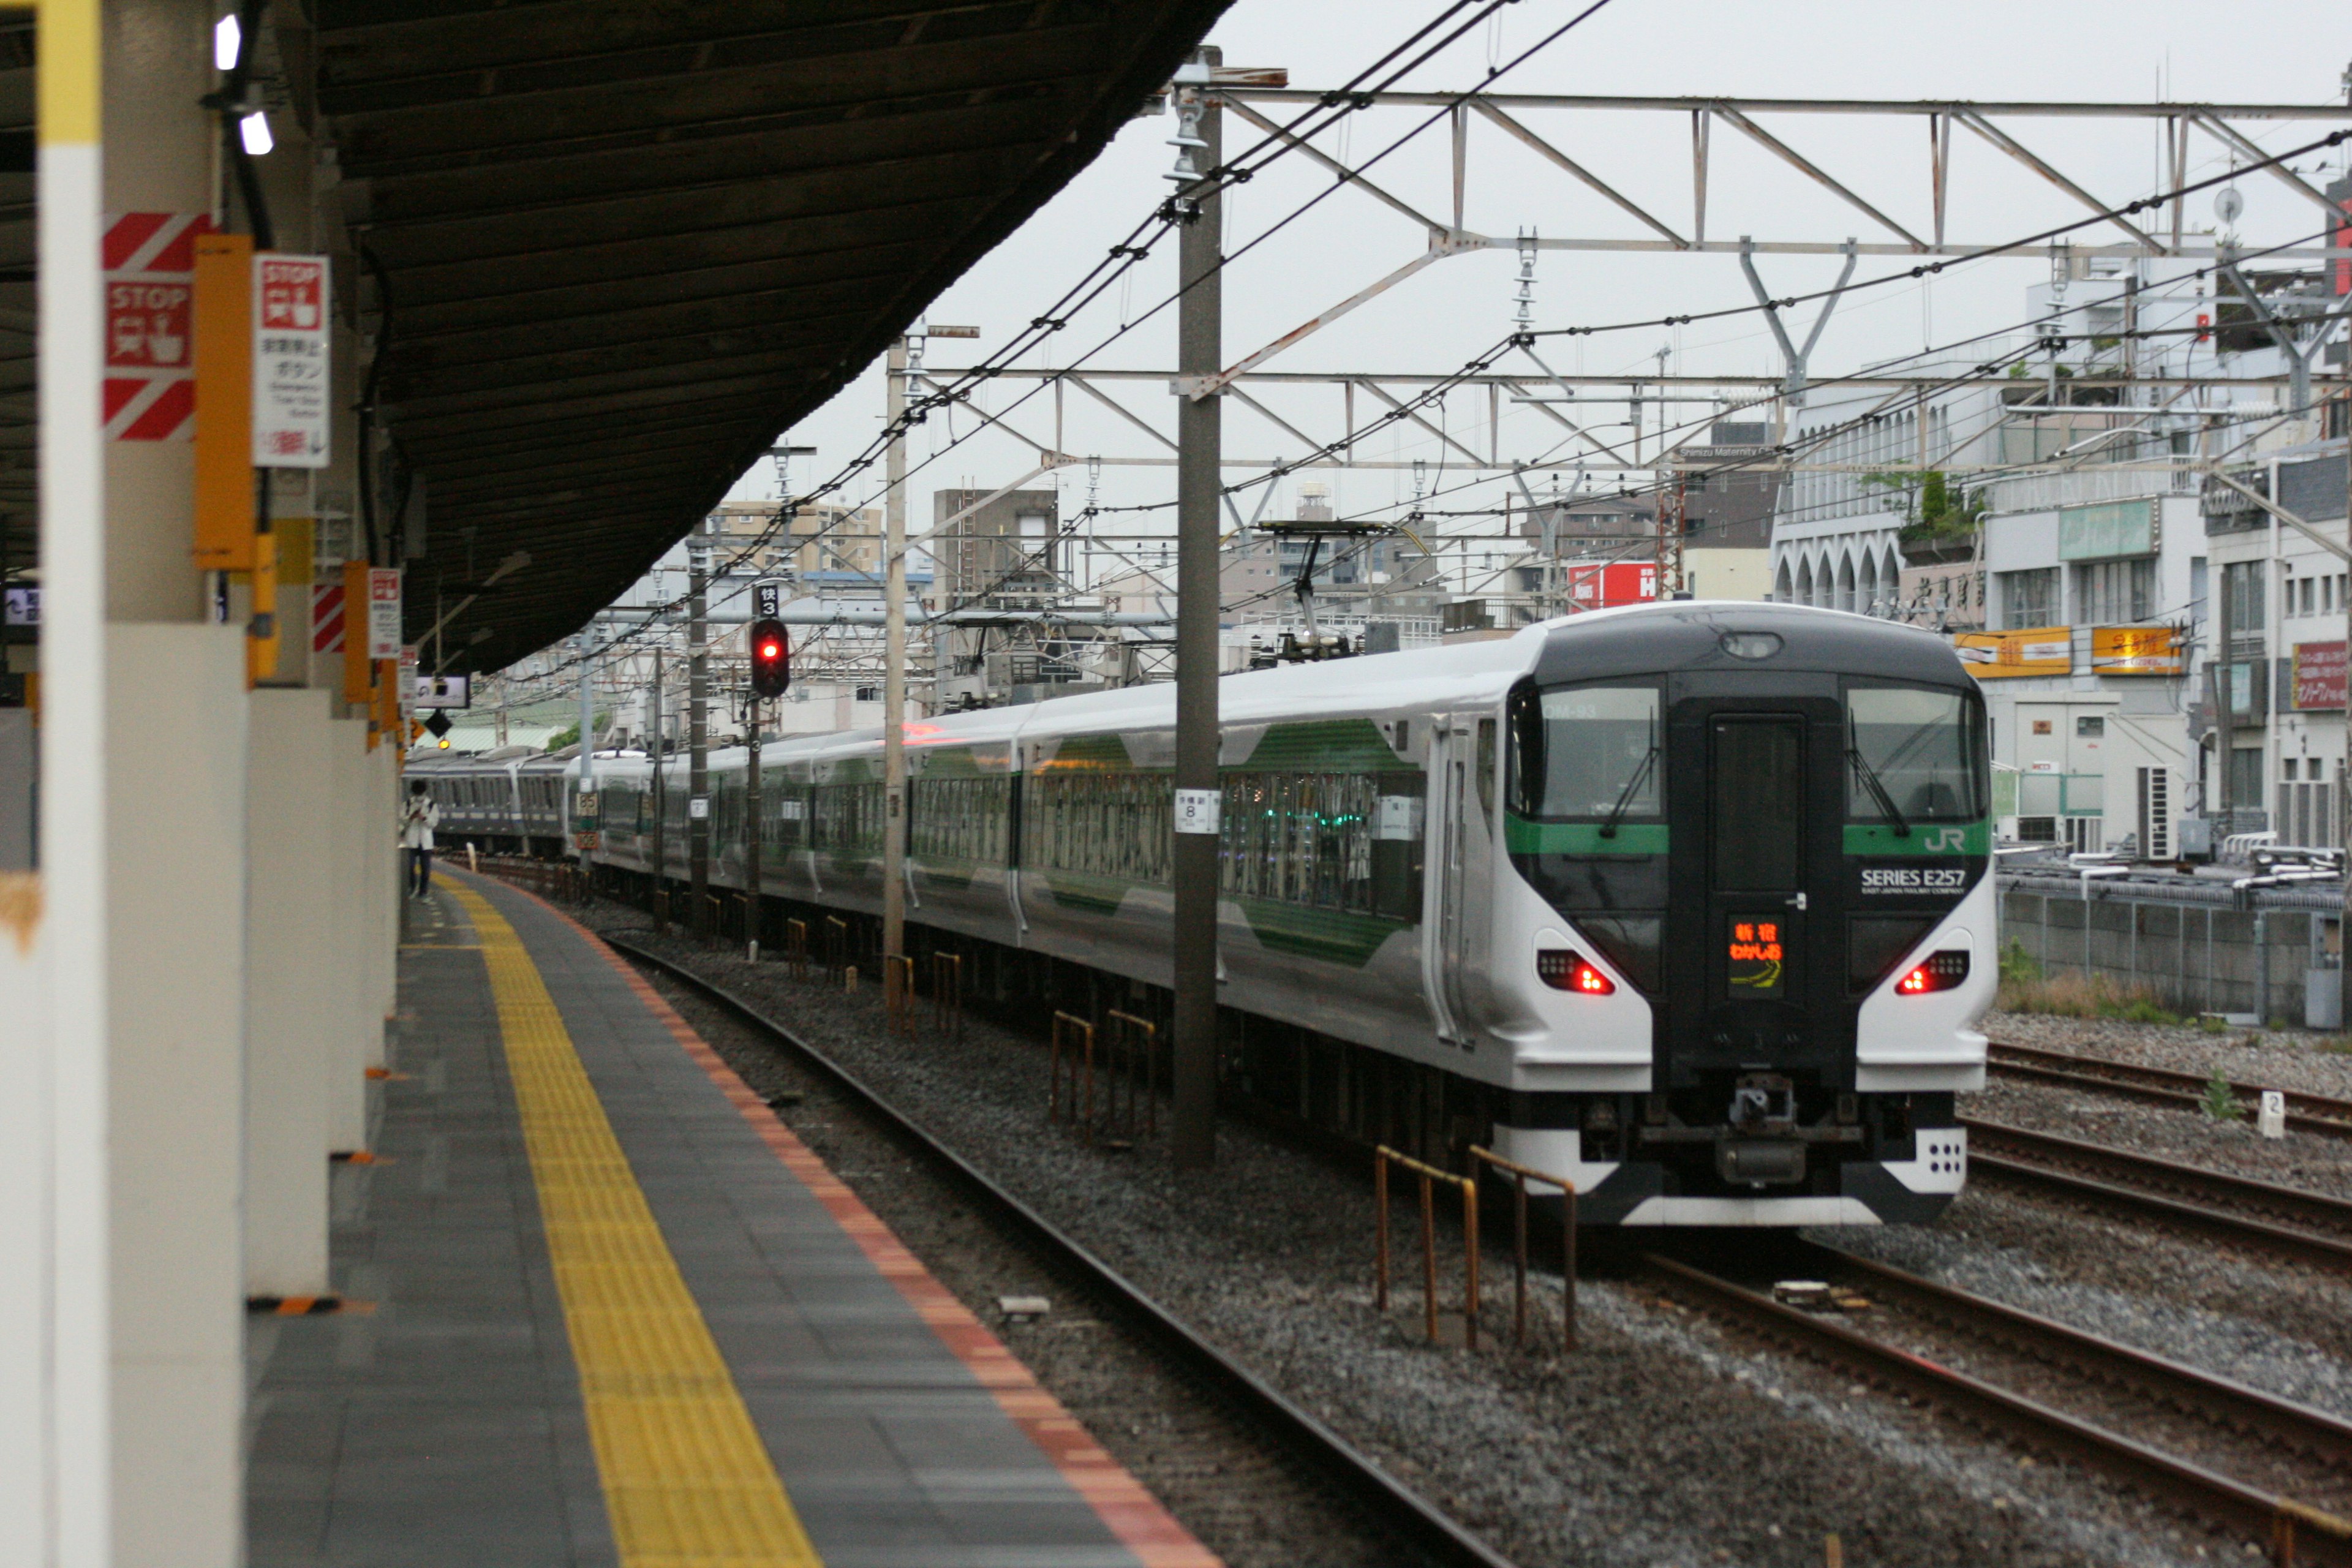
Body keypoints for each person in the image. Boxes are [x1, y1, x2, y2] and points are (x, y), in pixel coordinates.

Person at [401, 780, 440, 898]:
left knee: (426, 869)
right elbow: (402, 822)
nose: (419, 796)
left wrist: (424, 818)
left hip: (426, 841)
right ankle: (412, 888)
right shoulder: (407, 804)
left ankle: (423, 891)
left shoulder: (431, 805)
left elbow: (434, 823)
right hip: (411, 841)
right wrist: (411, 817)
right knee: (410, 867)